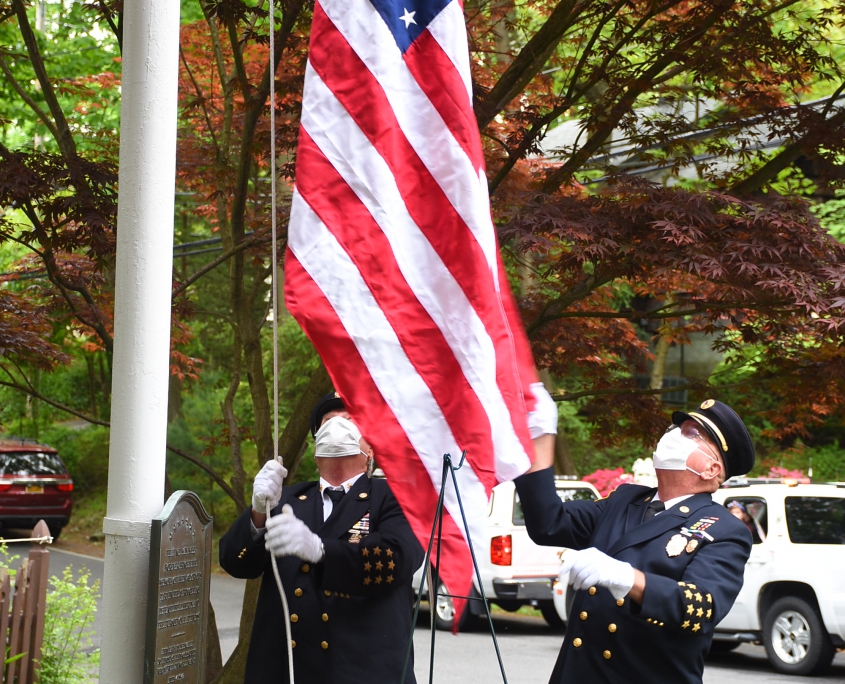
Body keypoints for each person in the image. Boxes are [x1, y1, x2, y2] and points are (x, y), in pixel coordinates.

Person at [515, 398, 755, 683]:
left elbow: (702, 608)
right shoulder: (625, 499)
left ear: (711, 470)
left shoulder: (724, 529)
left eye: (692, 434)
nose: (675, 435)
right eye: (677, 427)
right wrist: (536, 439)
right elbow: (549, 523)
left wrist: (629, 579)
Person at [219, 393, 424, 683]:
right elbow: (234, 562)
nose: (337, 425)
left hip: (362, 672)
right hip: (288, 672)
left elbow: (395, 560)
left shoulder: (396, 498)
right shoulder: (284, 498)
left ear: (371, 447)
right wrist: (257, 511)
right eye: (328, 421)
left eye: (350, 420)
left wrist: (322, 551)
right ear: (316, 450)